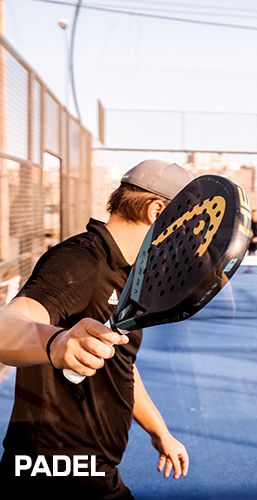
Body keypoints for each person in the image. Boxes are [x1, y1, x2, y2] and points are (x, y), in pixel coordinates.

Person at [0, 160, 192, 499]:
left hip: (88, 467)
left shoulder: (128, 274)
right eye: (184, 224)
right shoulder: (81, 260)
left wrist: (159, 430)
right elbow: (6, 326)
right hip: (55, 470)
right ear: (157, 211)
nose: (184, 238)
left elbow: (120, 362)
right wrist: (57, 342)